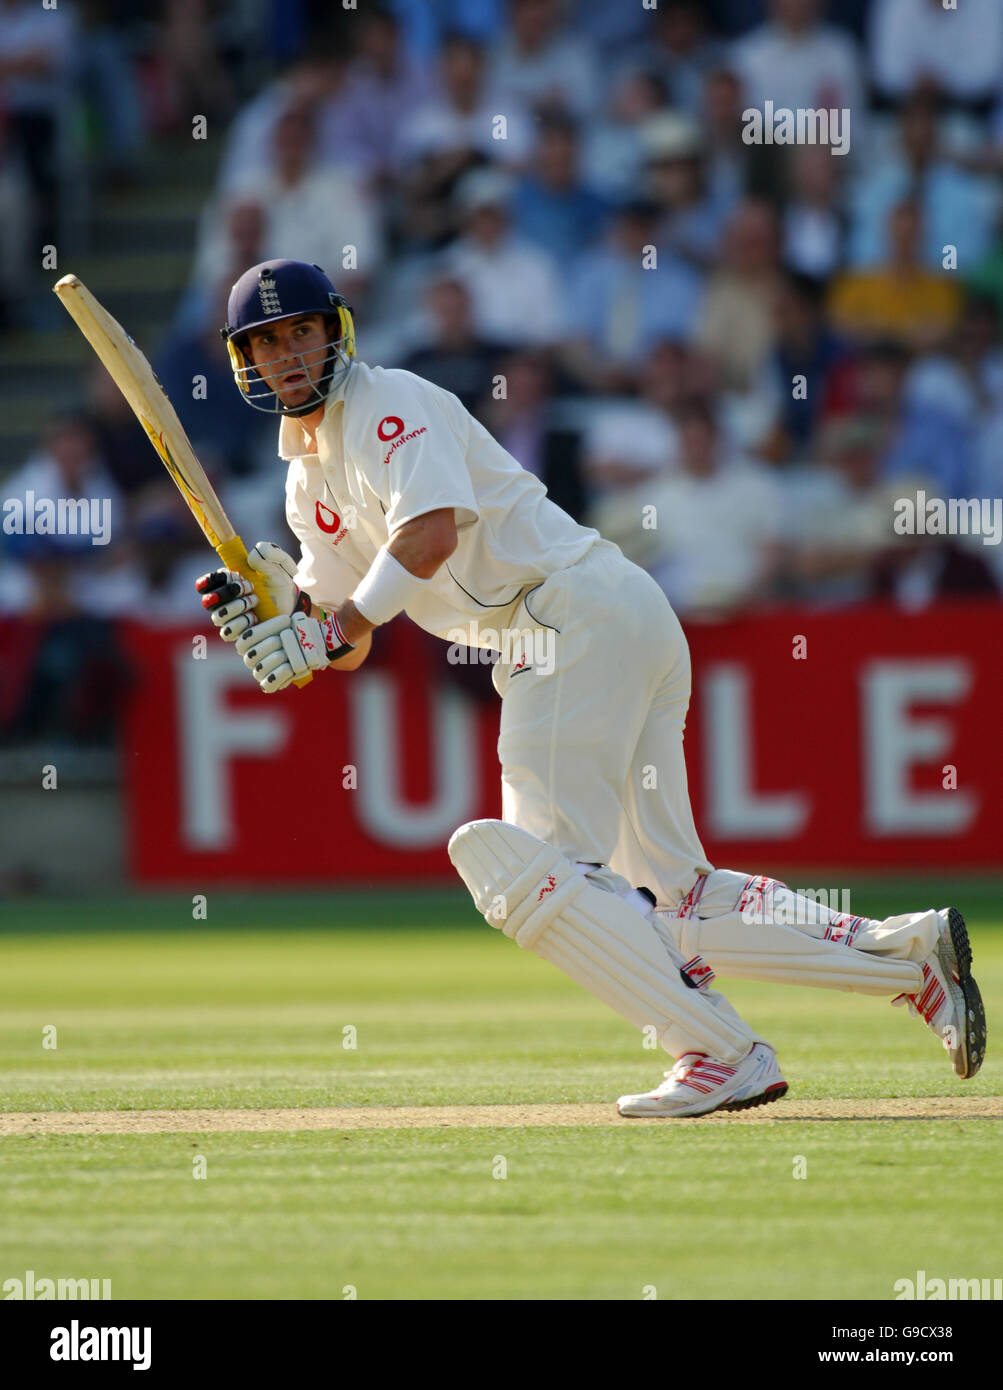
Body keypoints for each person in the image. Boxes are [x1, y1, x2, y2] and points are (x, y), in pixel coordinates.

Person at [188, 259, 986, 1118]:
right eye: (267, 342)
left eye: (301, 331)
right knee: (672, 899)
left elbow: (425, 539)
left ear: (336, 331)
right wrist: (287, 623)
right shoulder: (306, 482)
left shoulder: (389, 402)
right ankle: (908, 959)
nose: (288, 355)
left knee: (522, 871)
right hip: (606, 619)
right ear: (246, 361)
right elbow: (349, 635)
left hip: (563, 617)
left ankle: (718, 1052)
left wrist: (327, 628)